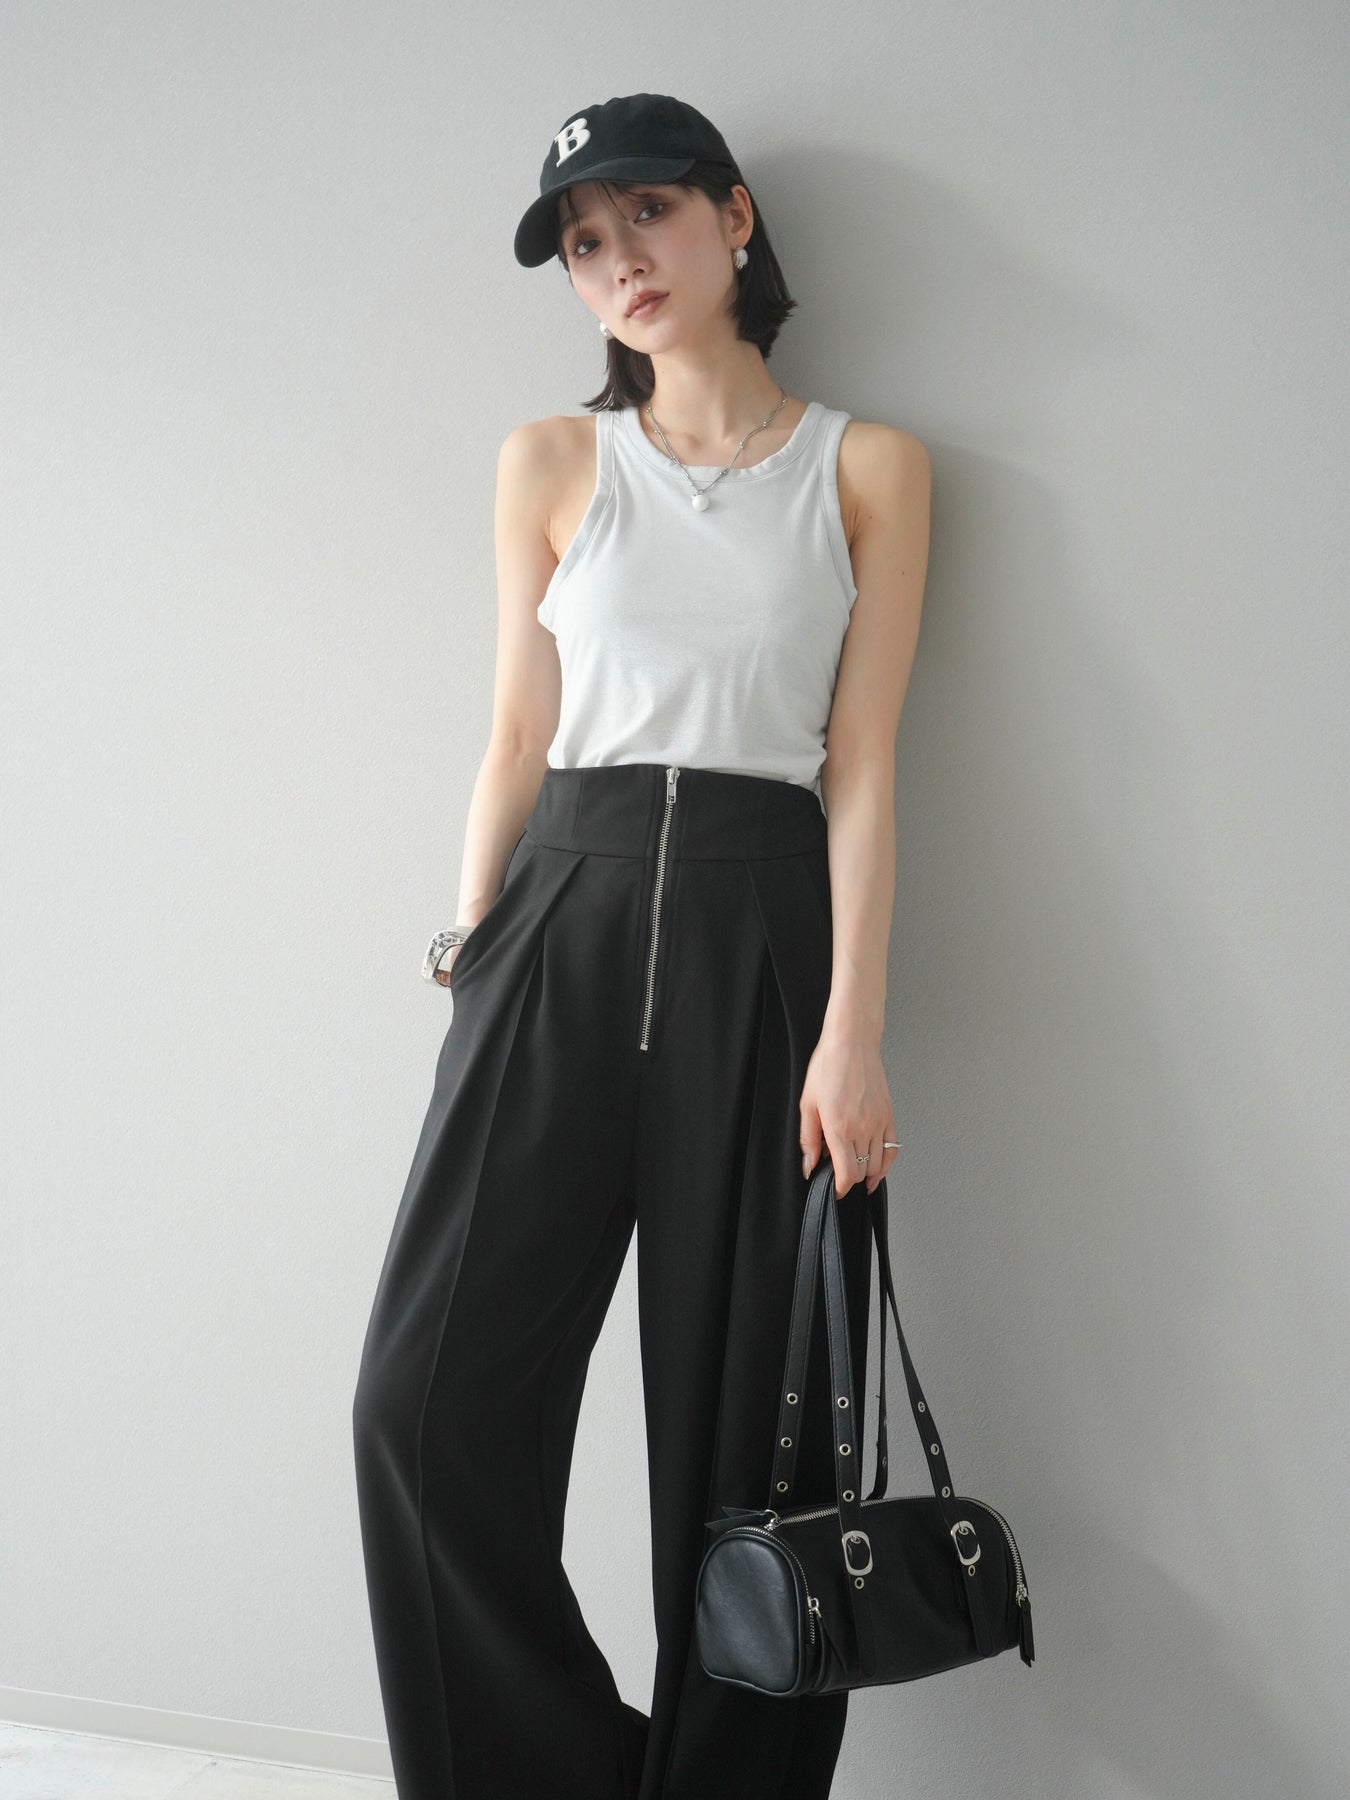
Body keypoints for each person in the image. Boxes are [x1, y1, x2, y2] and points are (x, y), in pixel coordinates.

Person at [351, 91, 931, 1800]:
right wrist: (472, 947)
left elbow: (864, 764)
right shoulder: (551, 461)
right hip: (557, 922)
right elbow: (517, 733)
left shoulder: (870, 468)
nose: (618, 263)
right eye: (583, 245)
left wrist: (852, 1032)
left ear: (733, 217)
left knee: (760, 1444)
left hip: (767, 936)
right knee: (420, 1404)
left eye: (646, 217)